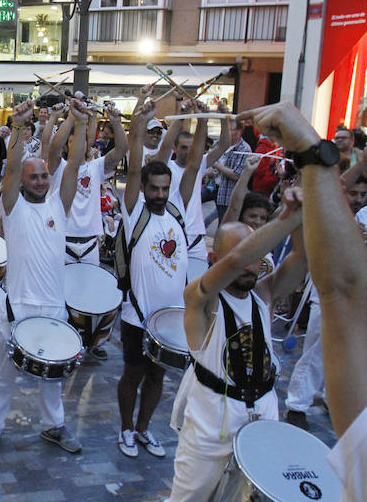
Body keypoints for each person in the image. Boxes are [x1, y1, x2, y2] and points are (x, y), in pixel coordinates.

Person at [239, 101, 367, 502]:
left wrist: (311, 153)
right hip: (220, 407)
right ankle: (301, 401)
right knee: (313, 356)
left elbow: (334, 283)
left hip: (264, 395)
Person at [169, 193, 307, 500]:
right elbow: (234, 262)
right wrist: (286, 217)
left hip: (262, 412)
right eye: (243, 258)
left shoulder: (263, 295)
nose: (250, 267)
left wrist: (299, 214)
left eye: (256, 258)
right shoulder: (200, 300)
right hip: (211, 422)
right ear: (213, 260)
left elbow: (301, 258)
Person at [0, 98, 88, 457]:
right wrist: (20, 128)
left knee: (53, 378)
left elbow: (76, 166)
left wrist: (81, 123)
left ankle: (54, 427)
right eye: (33, 176)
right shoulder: (12, 206)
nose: (40, 181)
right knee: (4, 376)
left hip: (53, 306)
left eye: (44, 176)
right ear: (23, 180)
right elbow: (9, 170)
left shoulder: (58, 204)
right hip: (17, 306)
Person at [115, 90, 202, 460]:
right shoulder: (135, 210)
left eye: (165, 189)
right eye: (155, 189)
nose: (160, 194)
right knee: (133, 374)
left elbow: (195, 166)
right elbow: (135, 166)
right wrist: (138, 120)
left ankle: (144, 429)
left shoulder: (176, 211)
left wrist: (199, 120)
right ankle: (125, 431)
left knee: (158, 377)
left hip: (170, 318)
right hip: (137, 314)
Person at [285, 170, 367, 429]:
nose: (357, 199)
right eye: (351, 193)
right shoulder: (324, 215)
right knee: (316, 352)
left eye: (362, 195)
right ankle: (296, 405)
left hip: (361, 300)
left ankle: (331, 397)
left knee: (348, 355)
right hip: (329, 296)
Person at [45, 103, 127, 266]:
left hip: (91, 244)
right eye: (71, 142)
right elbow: (53, 149)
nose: (76, 145)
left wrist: (117, 123)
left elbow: (121, 150)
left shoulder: (96, 167)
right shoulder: (58, 166)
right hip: (62, 240)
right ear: (67, 146)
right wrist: (71, 118)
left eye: (80, 141)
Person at [155, 100, 232, 260]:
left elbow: (223, 145)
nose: (189, 151)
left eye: (192, 147)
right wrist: (181, 116)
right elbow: (165, 147)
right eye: (184, 147)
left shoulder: (201, 163)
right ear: (175, 149)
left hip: (195, 236)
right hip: (170, 232)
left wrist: (223, 117)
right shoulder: (165, 166)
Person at [212, 118, 251, 223]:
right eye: (225, 129)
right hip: (212, 186)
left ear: (238, 132)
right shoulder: (218, 144)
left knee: (223, 223)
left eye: (230, 129)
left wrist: (216, 165)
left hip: (227, 193)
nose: (226, 132)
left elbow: (236, 175)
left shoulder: (244, 149)